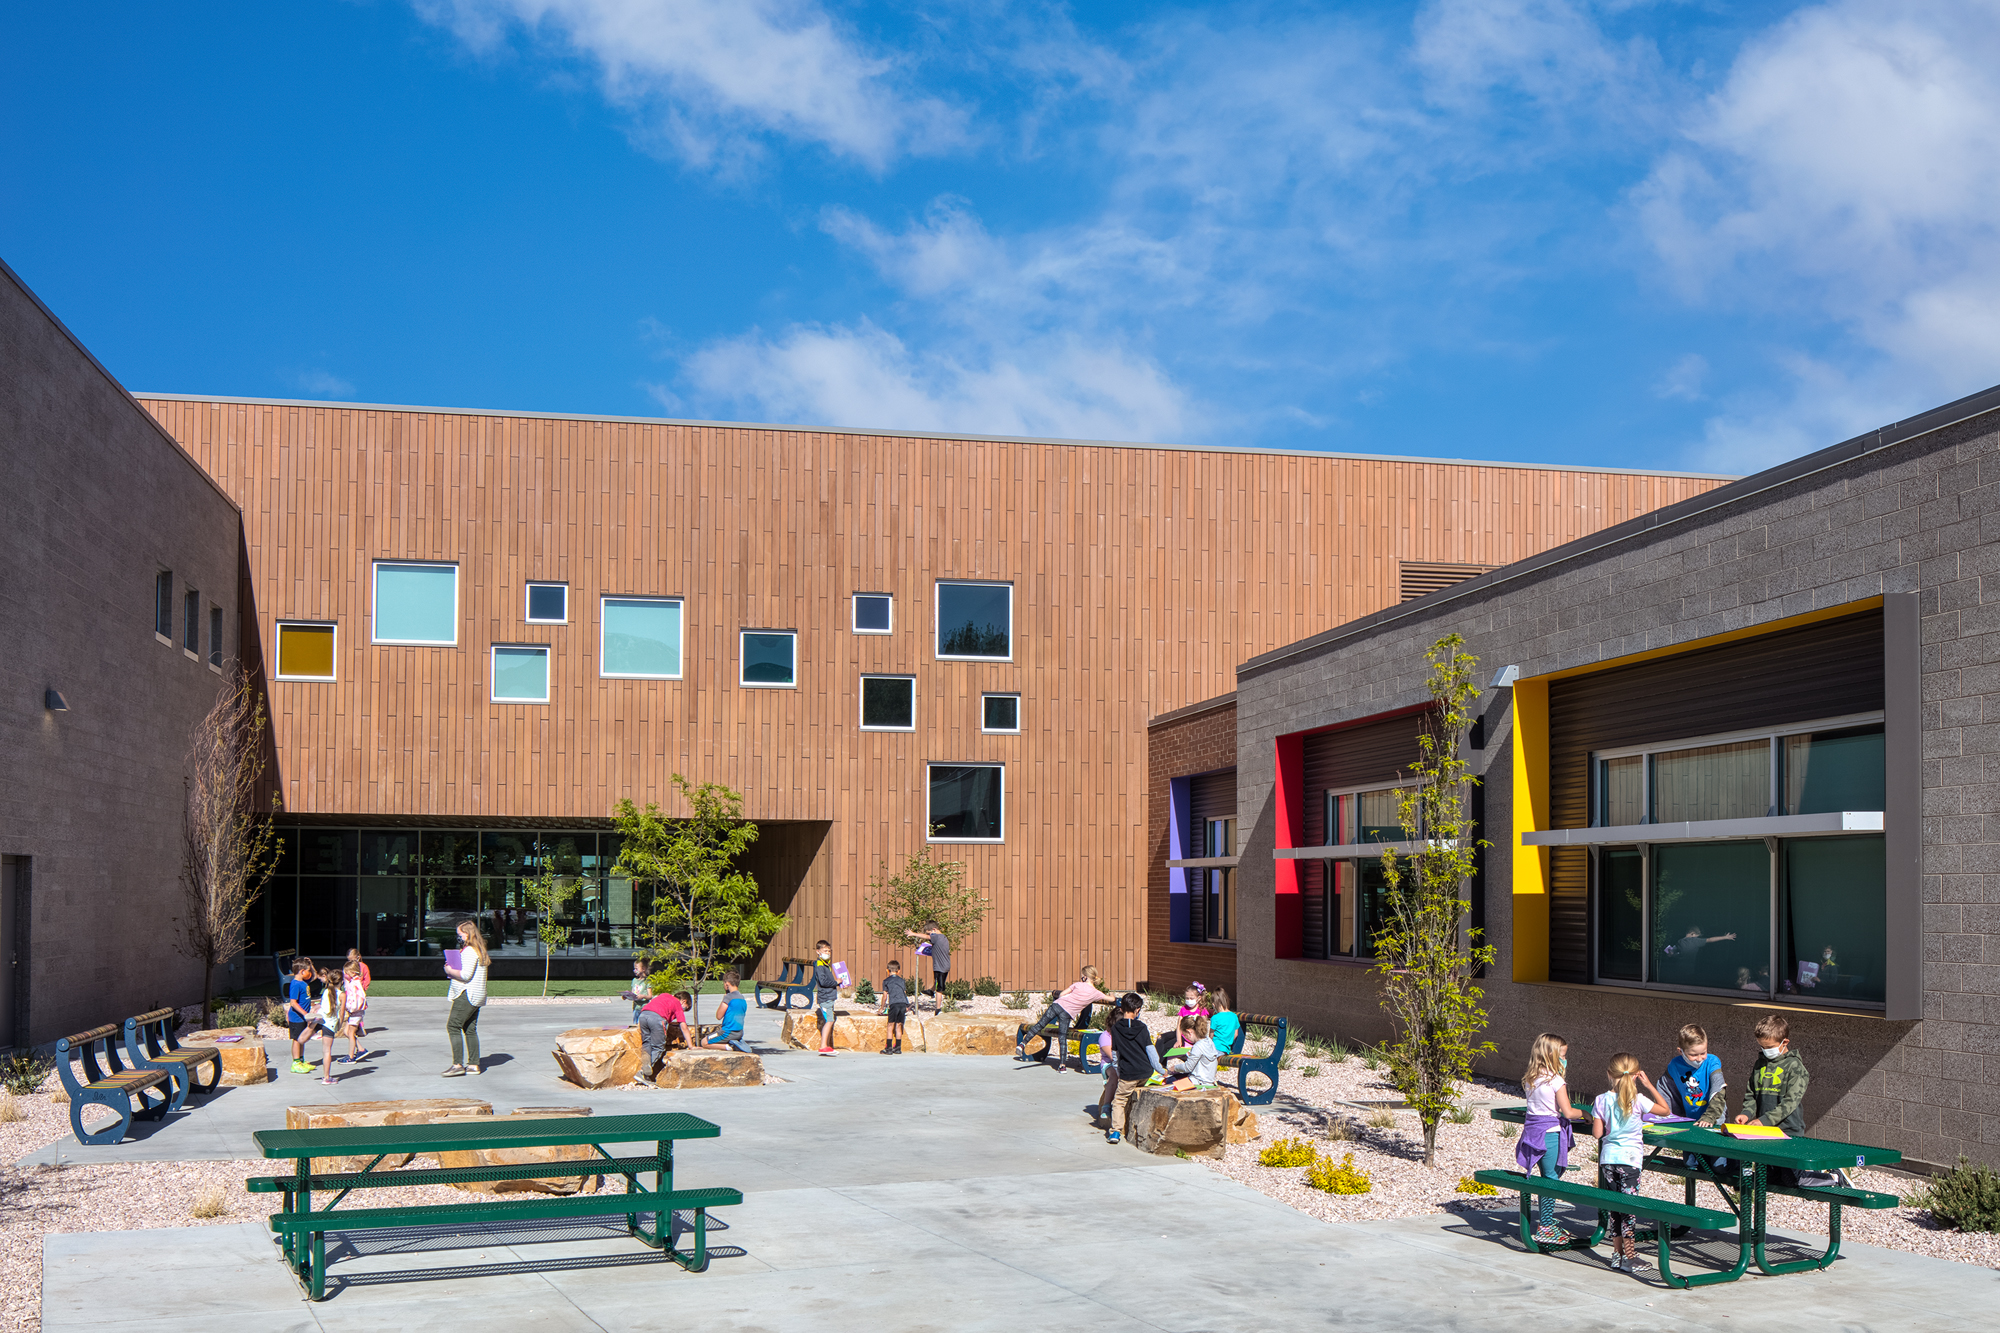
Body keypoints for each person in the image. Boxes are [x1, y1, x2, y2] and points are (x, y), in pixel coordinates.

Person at [1593, 1053, 1673, 1274]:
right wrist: (1649, 1086)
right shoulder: (1639, 1099)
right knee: (1629, 1210)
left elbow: (1597, 1133)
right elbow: (1666, 1110)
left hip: (1609, 1159)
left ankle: (1617, 1255)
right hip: (1630, 1161)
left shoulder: (1601, 1100)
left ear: (1609, 1074)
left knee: (1615, 1208)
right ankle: (1630, 1256)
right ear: (1637, 1076)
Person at [1734, 1013, 1828, 1186]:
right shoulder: (1759, 1063)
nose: (1765, 1050)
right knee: (1769, 1179)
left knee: (1792, 1179)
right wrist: (1746, 1113)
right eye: (1762, 1046)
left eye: (1769, 1046)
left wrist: (1764, 1120)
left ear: (1785, 1042)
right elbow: (1751, 1094)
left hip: (1787, 1131)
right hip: (1764, 1132)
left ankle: (1833, 1177)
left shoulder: (1795, 1067)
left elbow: (1790, 1103)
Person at [1516, 1032, 1586, 1246]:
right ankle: (1545, 1227)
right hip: (1551, 1134)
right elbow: (1567, 1111)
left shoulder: (1530, 1078)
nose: (1565, 1060)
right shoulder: (1556, 1081)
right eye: (1562, 1055)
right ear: (1552, 1056)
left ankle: (1547, 1222)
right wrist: (1585, 1114)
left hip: (1532, 1134)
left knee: (1545, 1177)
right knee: (1551, 1180)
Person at [1016, 965, 1115, 1071]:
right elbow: (1111, 999)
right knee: (1062, 1037)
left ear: (1085, 977)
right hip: (1067, 1013)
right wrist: (1112, 994)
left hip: (1057, 1005)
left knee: (1040, 1025)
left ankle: (1023, 1044)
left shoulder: (1077, 985)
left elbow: (1062, 994)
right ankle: (1062, 1066)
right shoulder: (1096, 993)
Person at [1103, 993, 1166, 1143]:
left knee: (1119, 1100)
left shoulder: (1117, 1029)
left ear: (1121, 1008)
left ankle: (1116, 1132)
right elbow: (1151, 1052)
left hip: (1128, 1074)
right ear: (1137, 1010)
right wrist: (1162, 1070)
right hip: (1145, 1072)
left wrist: (1118, 1072)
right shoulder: (1142, 1027)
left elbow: (1115, 1054)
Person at [442, 918, 490, 1077]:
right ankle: (474, 1064)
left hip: (466, 994)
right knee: (469, 1028)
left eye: (460, 935)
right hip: (477, 995)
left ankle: (457, 1064)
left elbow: (465, 975)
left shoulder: (470, 951)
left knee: (453, 1026)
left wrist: (449, 970)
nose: (459, 937)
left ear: (468, 934)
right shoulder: (479, 949)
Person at [634, 990, 696, 1083]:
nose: (683, 1010)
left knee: (647, 1044)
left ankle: (645, 1073)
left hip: (643, 1015)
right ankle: (642, 1071)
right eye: (685, 1008)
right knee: (658, 1047)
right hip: (657, 1018)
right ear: (684, 1001)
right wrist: (691, 1046)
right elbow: (684, 1027)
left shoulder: (664, 995)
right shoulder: (677, 1004)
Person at [904, 922, 951, 1011]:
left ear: (934, 929)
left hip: (940, 967)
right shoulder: (943, 937)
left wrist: (913, 933)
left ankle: (938, 1008)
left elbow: (927, 937)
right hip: (945, 965)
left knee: (939, 988)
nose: (928, 935)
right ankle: (931, 991)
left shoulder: (936, 936)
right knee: (937, 982)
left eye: (929, 932)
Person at [1166, 1015, 1219, 1089]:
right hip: (1208, 1080)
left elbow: (1188, 1067)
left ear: (1189, 1032)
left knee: (1168, 1083)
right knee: (1175, 1078)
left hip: (1198, 1082)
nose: (1186, 1038)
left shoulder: (1198, 1046)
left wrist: (1174, 1068)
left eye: (1185, 1035)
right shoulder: (1209, 1041)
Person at [704, 971, 751, 1053]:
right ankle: (736, 1043)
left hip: (728, 1032)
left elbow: (718, 1016)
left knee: (704, 1042)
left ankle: (730, 1047)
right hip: (739, 1032)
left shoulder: (728, 997)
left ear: (727, 984)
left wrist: (724, 999)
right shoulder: (742, 998)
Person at [285, 956, 316, 1074]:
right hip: (296, 1018)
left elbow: (314, 976)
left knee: (302, 1039)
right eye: (308, 970)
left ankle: (301, 1061)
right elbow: (293, 1003)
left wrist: (310, 964)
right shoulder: (295, 984)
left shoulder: (303, 982)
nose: (309, 973)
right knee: (297, 1040)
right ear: (302, 971)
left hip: (302, 1017)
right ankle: (295, 1063)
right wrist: (305, 1014)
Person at [337, 959, 370, 1064]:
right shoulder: (353, 982)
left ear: (353, 972)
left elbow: (356, 999)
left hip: (355, 1012)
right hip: (355, 1012)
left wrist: (349, 1008)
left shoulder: (355, 984)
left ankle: (350, 1057)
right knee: (346, 1032)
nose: (345, 974)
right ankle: (361, 1049)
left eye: (347, 972)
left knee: (351, 1033)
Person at [813, 940, 840, 1055]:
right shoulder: (819, 965)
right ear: (818, 952)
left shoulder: (825, 964)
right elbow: (823, 982)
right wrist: (835, 982)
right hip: (826, 997)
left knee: (829, 1020)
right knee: (829, 1020)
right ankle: (823, 1046)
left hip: (829, 996)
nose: (828, 953)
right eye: (825, 951)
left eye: (829, 951)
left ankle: (826, 1045)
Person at [879, 959, 909, 1055]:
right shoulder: (901, 981)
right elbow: (904, 993)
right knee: (899, 1025)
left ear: (887, 970)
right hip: (903, 1004)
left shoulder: (886, 981)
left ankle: (888, 1049)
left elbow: (885, 996)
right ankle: (898, 1048)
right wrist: (907, 1005)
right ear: (898, 971)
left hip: (894, 1004)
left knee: (890, 1025)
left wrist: (882, 1008)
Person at [344, 948, 372, 1044]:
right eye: (349, 960)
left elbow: (367, 979)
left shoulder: (363, 966)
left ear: (358, 957)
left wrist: (362, 988)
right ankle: (355, 1027)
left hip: (358, 991)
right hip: (349, 991)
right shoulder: (348, 967)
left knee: (358, 1008)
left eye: (353, 960)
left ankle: (359, 1026)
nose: (351, 962)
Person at [1206, 986, 1241, 1055]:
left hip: (1215, 1047)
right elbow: (1236, 1034)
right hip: (1226, 1049)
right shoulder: (1234, 1016)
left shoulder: (1215, 1018)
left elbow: (1211, 1036)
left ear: (1214, 1005)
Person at [620, 959, 653, 1023]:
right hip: (636, 1007)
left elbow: (650, 996)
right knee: (635, 1023)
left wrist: (643, 996)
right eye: (634, 969)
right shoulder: (634, 980)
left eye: (636, 968)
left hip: (644, 1007)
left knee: (643, 1024)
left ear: (643, 969)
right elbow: (633, 994)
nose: (635, 971)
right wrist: (627, 996)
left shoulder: (647, 981)